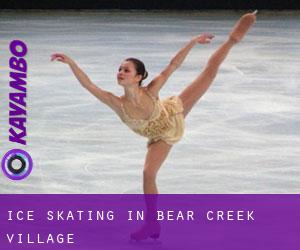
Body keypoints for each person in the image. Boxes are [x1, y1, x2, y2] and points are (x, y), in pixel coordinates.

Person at [51, 11, 257, 240]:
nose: (120, 73)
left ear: (138, 77)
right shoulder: (116, 103)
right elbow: (88, 85)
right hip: (161, 137)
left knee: (208, 72)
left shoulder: (151, 90)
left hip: (175, 112)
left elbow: (174, 65)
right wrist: (71, 63)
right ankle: (152, 223)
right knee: (148, 174)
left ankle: (232, 40)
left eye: (126, 70)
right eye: (119, 69)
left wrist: (192, 42)